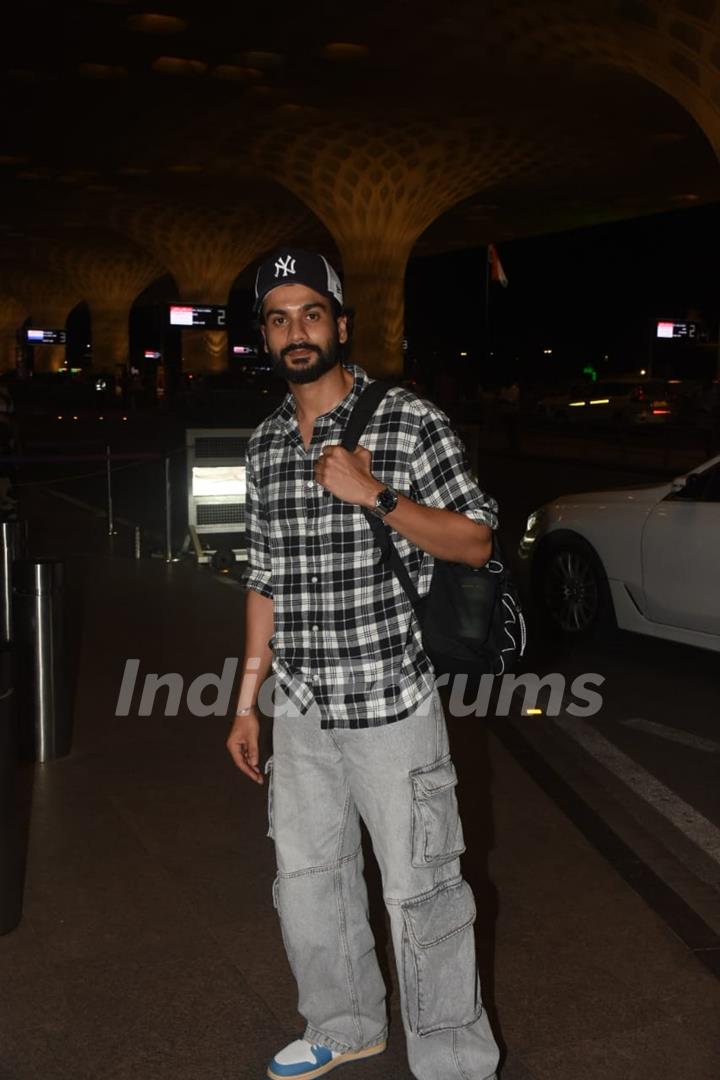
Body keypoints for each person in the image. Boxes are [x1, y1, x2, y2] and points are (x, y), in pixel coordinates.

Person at [226, 249, 501, 1080]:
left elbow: (478, 538)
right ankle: (344, 1024)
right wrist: (247, 701)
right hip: (302, 708)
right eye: (278, 318)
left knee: (424, 892)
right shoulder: (268, 442)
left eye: (310, 312)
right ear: (266, 337)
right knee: (309, 881)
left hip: (392, 704)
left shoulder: (408, 422)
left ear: (341, 324)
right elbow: (263, 577)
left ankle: (453, 1061)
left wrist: (376, 495)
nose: (295, 331)